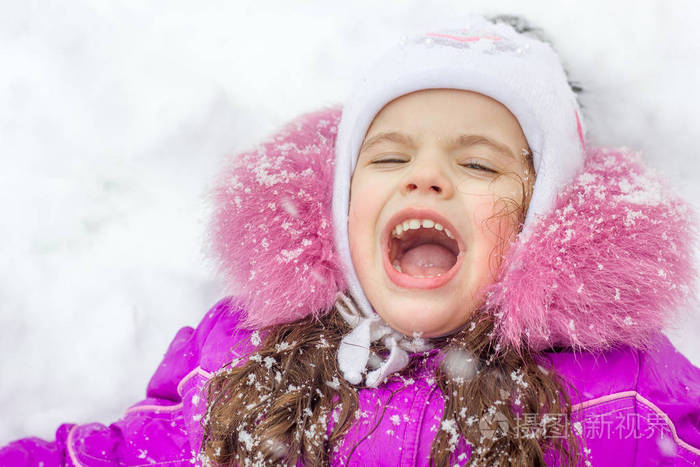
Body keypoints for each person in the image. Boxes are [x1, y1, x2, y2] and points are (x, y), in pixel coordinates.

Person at [2, 14, 699, 466]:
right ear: (340, 207)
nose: (425, 177)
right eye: (390, 158)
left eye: (477, 163)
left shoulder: (618, 400)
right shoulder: (237, 357)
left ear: (539, 225)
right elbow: (121, 455)